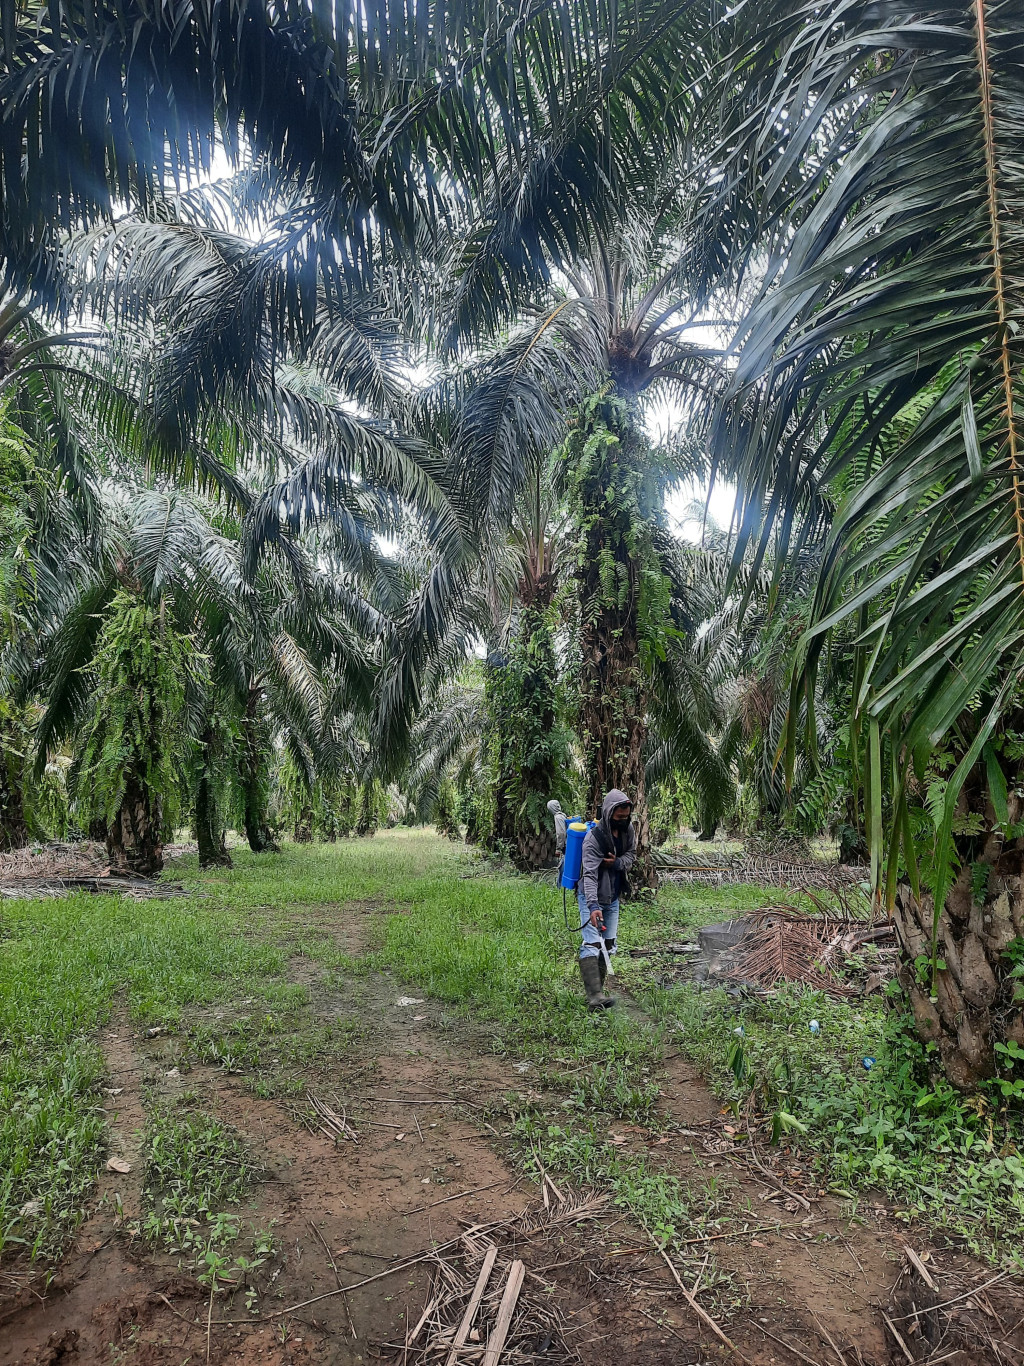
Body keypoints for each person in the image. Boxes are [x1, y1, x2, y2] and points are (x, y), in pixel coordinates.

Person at [577, 788, 635, 1010]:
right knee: (592, 942)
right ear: (609, 812)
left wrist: (617, 863)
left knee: (608, 944)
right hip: (591, 895)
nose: (623, 820)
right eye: (619, 817)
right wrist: (592, 906)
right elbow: (589, 875)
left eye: (626, 816)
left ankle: (598, 993)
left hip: (612, 896)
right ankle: (595, 997)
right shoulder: (593, 839)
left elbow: (632, 854)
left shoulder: (628, 830)